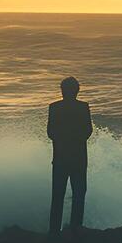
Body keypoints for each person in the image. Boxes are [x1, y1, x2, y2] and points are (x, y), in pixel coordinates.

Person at [46, 76, 92, 234]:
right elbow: (88, 131)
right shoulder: (83, 107)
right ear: (77, 90)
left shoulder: (54, 107)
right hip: (78, 158)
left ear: (62, 90)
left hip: (60, 158)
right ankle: (75, 229)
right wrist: (74, 139)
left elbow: (50, 132)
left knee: (58, 195)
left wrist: (64, 140)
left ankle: (54, 231)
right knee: (78, 194)